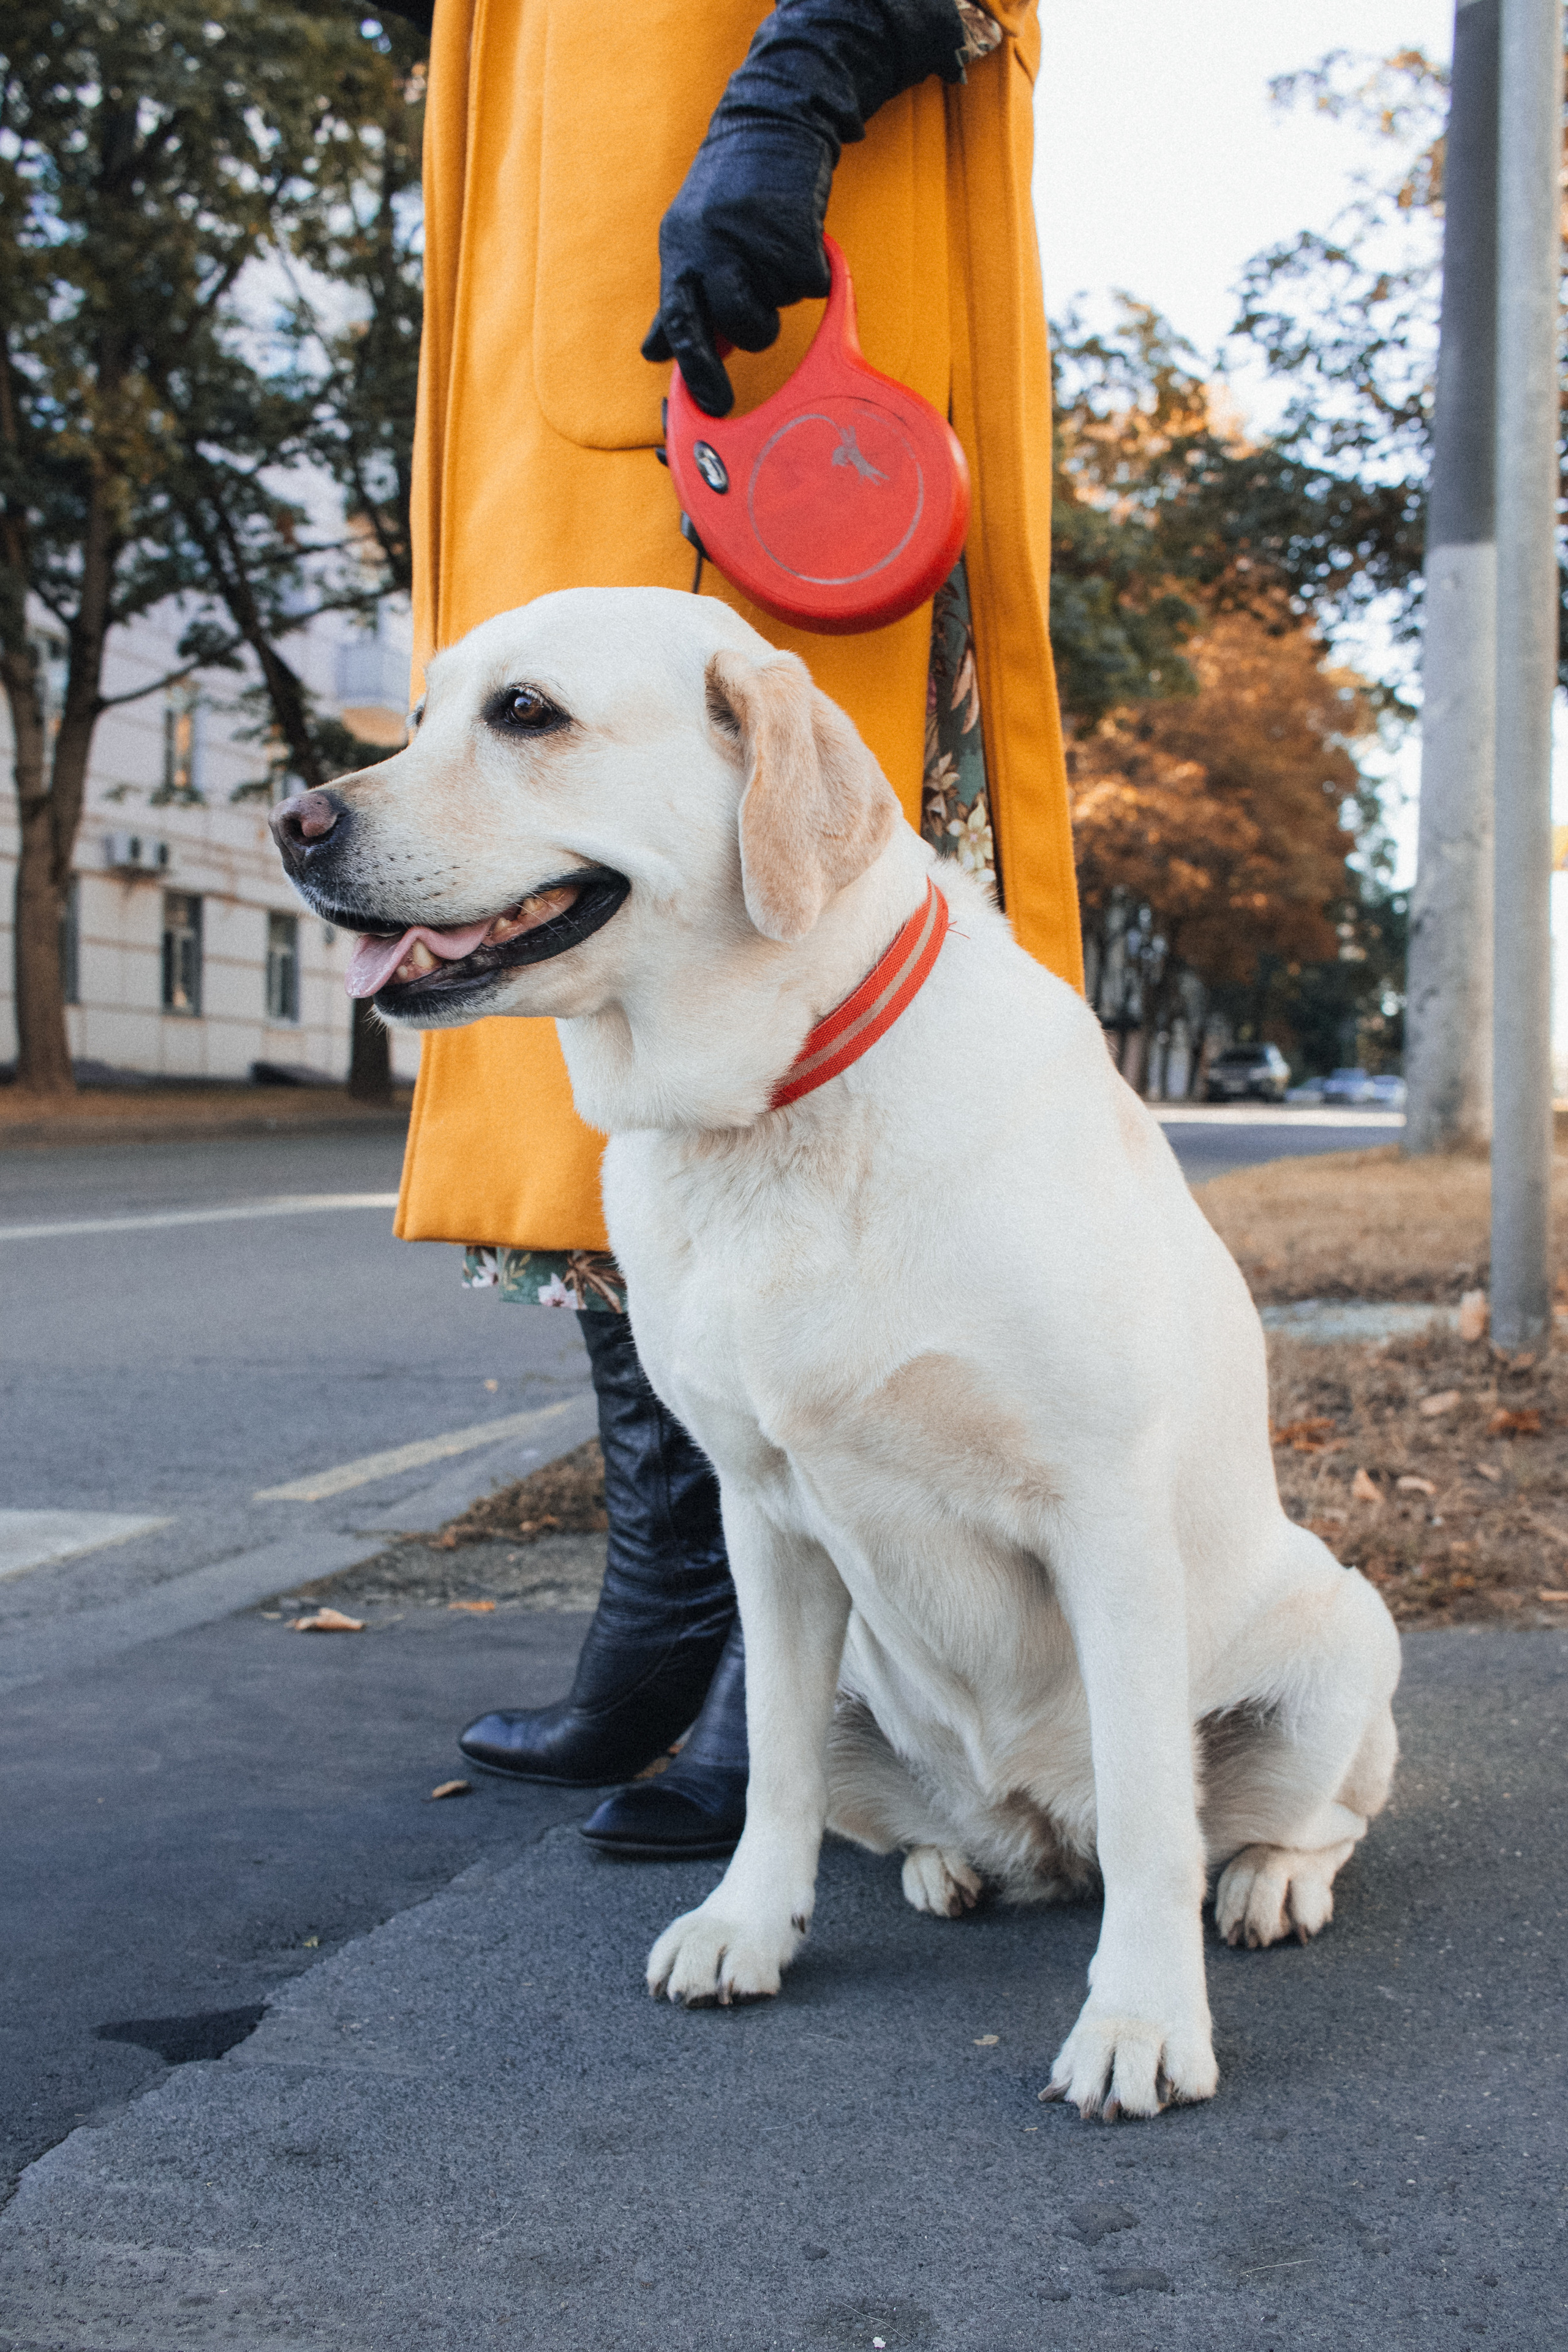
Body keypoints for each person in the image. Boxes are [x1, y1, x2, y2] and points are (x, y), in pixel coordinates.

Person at [373, 0, 1082, 1858]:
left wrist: (803, 75)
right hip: (562, 293)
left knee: (781, 958)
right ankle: (675, 1602)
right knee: (586, 1029)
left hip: (760, 302)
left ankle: (837, 1672)